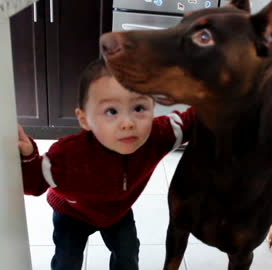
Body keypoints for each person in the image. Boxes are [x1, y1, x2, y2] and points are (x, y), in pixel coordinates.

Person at [18, 58, 195, 270]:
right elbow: (34, 183)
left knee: (128, 255)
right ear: (84, 119)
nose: (128, 123)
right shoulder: (68, 155)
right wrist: (28, 154)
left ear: (154, 108)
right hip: (72, 213)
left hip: (117, 213)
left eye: (139, 108)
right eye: (111, 111)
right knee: (67, 260)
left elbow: (192, 121)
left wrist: (227, 96)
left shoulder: (158, 136)